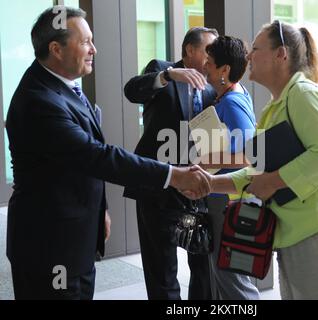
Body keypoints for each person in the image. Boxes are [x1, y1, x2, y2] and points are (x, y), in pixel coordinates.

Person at [5, 6, 210, 300]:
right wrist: (173, 175)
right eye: (85, 42)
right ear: (56, 49)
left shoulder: (60, 84)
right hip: (49, 246)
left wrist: (101, 210)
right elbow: (98, 156)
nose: (94, 49)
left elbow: (79, 165)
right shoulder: (40, 101)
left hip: (74, 234)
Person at [186, 21, 318, 300]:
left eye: (256, 49)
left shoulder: (305, 94)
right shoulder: (275, 108)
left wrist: (272, 180)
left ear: (281, 54)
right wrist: (210, 183)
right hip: (294, 236)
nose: (248, 57)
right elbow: (255, 174)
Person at [123, 27, 218, 300]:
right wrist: (166, 76)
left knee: (202, 266)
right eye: (207, 50)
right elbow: (132, 91)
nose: (211, 56)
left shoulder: (213, 85)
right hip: (158, 187)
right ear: (190, 50)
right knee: (161, 269)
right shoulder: (162, 71)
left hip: (197, 189)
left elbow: (213, 142)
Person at [199, 36, 259, 299]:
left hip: (230, 203)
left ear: (224, 70)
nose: (204, 68)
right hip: (227, 200)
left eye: (210, 64)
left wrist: (206, 161)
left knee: (233, 280)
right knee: (228, 278)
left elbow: (251, 157)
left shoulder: (232, 103)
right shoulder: (232, 94)